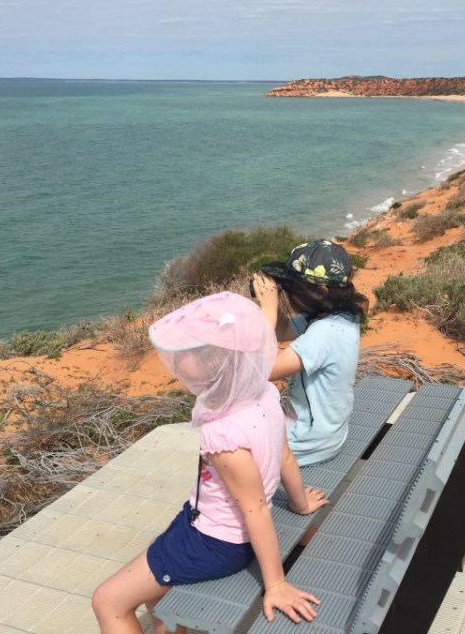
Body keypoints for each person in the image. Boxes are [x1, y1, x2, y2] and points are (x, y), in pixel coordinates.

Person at [91, 291, 329, 634]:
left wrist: (275, 584)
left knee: (107, 601)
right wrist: (300, 502)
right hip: (209, 524)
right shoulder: (263, 391)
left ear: (214, 363)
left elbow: (256, 510)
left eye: (188, 354)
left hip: (217, 542)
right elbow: (284, 456)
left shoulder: (223, 433)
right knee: (156, 600)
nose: (178, 362)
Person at [251, 240, 366, 466]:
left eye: (294, 287)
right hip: (324, 432)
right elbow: (284, 330)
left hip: (309, 442)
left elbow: (265, 370)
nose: (291, 292)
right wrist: (274, 303)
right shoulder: (337, 316)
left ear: (321, 292)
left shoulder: (326, 333)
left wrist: (267, 310)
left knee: (231, 452)